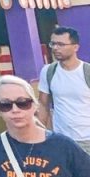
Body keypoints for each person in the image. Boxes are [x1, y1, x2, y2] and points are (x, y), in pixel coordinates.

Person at [38, 25, 90, 154]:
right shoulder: (48, 71)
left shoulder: (86, 72)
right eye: (53, 44)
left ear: (75, 47)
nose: (55, 48)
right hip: (61, 140)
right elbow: (43, 104)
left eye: (61, 44)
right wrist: (41, 136)